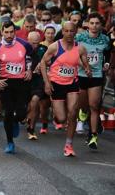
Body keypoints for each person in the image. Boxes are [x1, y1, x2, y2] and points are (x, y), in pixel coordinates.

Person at [40, 22, 91, 157]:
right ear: (62, 31)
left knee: (73, 113)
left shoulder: (80, 48)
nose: (69, 34)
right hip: (56, 83)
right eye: (66, 31)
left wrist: (87, 69)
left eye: (72, 31)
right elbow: (43, 63)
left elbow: (85, 64)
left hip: (72, 84)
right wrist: (46, 83)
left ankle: (68, 145)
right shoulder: (54, 47)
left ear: (75, 32)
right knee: (62, 119)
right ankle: (56, 112)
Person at [0, 21, 33, 154]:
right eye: (6, 32)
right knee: (8, 112)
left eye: (12, 32)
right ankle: (10, 142)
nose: (9, 35)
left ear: (15, 31)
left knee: (22, 113)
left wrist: (29, 70)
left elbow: (30, 58)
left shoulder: (24, 44)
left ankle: (16, 121)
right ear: (2, 32)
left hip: (21, 82)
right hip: (6, 83)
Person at [75, 13, 111, 149]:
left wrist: (106, 64)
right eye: (92, 23)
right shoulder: (79, 38)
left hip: (96, 75)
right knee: (84, 104)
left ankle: (93, 135)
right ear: (87, 24)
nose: (94, 26)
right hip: (81, 74)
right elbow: (73, 54)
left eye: (97, 23)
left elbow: (108, 53)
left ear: (101, 25)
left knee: (94, 106)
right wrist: (83, 65)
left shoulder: (105, 39)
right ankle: (83, 112)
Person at [25, 31, 50, 139]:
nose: (35, 45)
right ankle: (26, 117)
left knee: (35, 101)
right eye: (32, 43)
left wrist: (43, 63)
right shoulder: (22, 49)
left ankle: (31, 129)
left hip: (39, 81)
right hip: (24, 81)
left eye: (37, 43)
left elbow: (51, 61)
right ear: (28, 41)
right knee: (27, 107)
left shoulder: (43, 49)